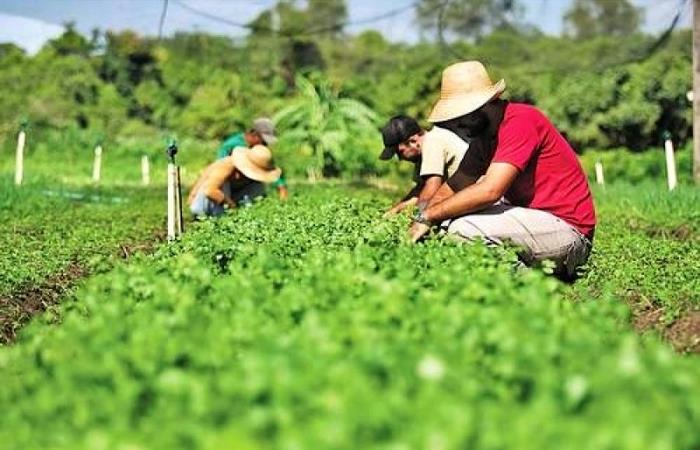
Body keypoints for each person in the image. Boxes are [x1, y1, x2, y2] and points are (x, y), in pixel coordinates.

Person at [409, 61, 596, 279]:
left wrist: (430, 215)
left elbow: (490, 191)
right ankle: (519, 276)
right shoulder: (483, 139)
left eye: (460, 118)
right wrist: (420, 218)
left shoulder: (521, 120)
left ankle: (528, 286)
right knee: (447, 222)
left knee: (463, 229)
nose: (457, 125)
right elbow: (455, 185)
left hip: (569, 232)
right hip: (535, 225)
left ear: (481, 106)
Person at [379, 115, 468, 215]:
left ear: (413, 141)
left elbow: (432, 187)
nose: (400, 159)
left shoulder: (432, 141)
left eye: (400, 152)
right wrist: (395, 210)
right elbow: (420, 190)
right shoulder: (424, 151)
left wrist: (418, 217)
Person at [188, 145, 282, 218]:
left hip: (230, 203)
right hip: (202, 206)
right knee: (223, 185)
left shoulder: (252, 180)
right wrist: (232, 208)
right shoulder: (227, 166)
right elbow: (210, 191)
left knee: (258, 188)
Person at [217, 117, 288, 200]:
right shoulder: (231, 145)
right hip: (228, 185)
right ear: (255, 134)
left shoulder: (259, 149)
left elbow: (269, 168)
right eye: (264, 141)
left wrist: (281, 185)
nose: (265, 145)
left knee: (259, 187)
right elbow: (220, 169)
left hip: (246, 185)